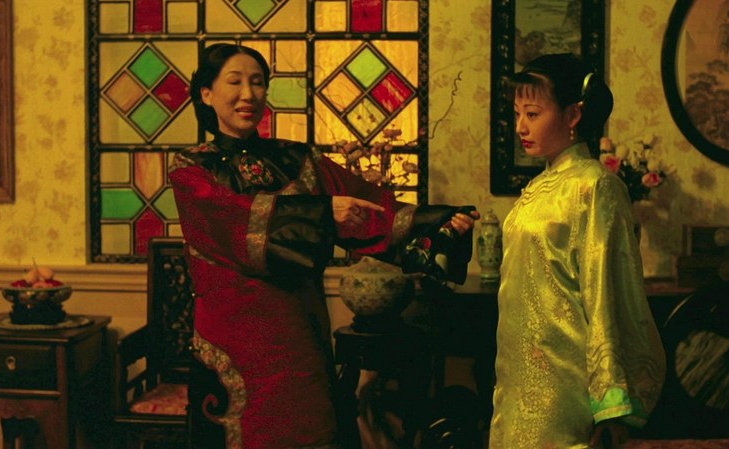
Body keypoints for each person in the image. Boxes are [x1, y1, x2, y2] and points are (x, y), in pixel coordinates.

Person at [167, 43, 480, 449]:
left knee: (311, 429)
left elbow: (369, 204)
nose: (248, 94)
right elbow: (233, 222)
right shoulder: (191, 169)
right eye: (235, 81)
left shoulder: (297, 159)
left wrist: (439, 222)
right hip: (234, 338)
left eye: (258, 82)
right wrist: (323, 213)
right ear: (206, 94)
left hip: (298, 328)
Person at [488, 53, 666, 449]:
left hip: (564, 384)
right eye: (517, 114)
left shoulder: (595, 186)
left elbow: (606, 293)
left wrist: (610, 403)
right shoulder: (539, 187)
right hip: (519, 376)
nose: (520, 127)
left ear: (573, 115)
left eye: (532, 114)